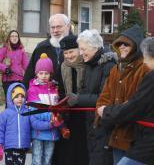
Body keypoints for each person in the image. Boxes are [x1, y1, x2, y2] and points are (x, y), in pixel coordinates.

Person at [95, 24, 150, 165]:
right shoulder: (115, 69)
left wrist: (109, 112)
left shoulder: (145, 68)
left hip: (136, 135)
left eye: (127, 44)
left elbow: (138, 102)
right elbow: (104, 96)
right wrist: (104, 111)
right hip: (116, 133)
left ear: (136, 46)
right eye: (119, 44)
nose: (122, 47)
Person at [67, 29, 116, 165]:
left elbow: (105, 98)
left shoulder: (109, 66)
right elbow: (85, 90)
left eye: (83, 49)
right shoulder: (90, 64)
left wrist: (79, 99)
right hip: (92, 124)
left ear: (95, 47)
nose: (81, 53)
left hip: (103, 126)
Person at [27, 53, 70, 165]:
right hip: (38, 133)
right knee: (37, 159)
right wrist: (51, 116)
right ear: (36, 74)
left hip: (52, 132)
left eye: (47, 73)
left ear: (50, 74)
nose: (44, 76)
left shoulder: (54, 89)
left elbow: (57, 106)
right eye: (41, 73)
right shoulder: (32, 90)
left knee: (48, 159)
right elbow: (35, 111)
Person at [53, 35, 88, 165]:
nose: (68, 56)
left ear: (79, 50)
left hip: (84, 115)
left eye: (71, 52)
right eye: (65, 53)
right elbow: (59, 90)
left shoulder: (86, 65)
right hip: (67, 115)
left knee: (81, 150)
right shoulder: (62, 68)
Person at [0, 82, 54, 165]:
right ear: (11, 98)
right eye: (17, 96)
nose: (20, 99)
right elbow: (1, 130)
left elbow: (35, 123)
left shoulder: (28, 112)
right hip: (9, 147)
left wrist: (50, 124)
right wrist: (0, 145)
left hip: (23, 147)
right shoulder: (5, 113)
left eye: (22, 96)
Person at [23, 13, 71, 92]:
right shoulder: (41, 47)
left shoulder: (75, 47)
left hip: (70, 97)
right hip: (45, 96)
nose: (55, 30)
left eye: (59, 27)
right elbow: (30, 73)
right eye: (52, 27)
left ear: (67, 27)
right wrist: (23, 93)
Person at [0, 30, 29, 99]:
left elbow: (26, 65)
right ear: (9, 38)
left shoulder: (21, 50)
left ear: (18, 38)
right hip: (8, 80)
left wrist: (30, 75)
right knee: (10, 101)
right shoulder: (4, 49)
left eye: (16, 36)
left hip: (19, 79)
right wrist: (5, 68)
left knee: (18, 101)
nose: (14, 38)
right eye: (12, 36)